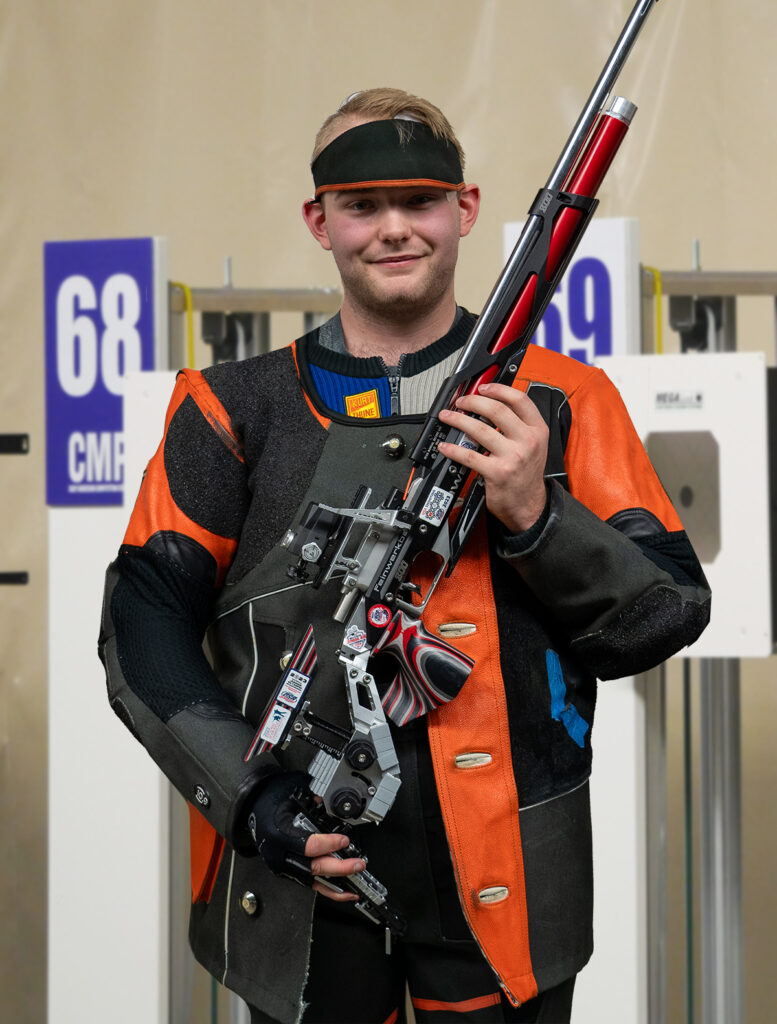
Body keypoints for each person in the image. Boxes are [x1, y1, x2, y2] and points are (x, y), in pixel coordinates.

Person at [99, 88, 710, 1024]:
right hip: (298, 880)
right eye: (362, 205)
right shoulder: (229, 410)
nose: (393, 229)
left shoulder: (564, 398)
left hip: (511, 885)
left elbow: (661, 616)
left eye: (419, 201)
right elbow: (141, 638)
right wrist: (255, 803)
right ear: (320, 221)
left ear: (464, 210)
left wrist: (533, 512)